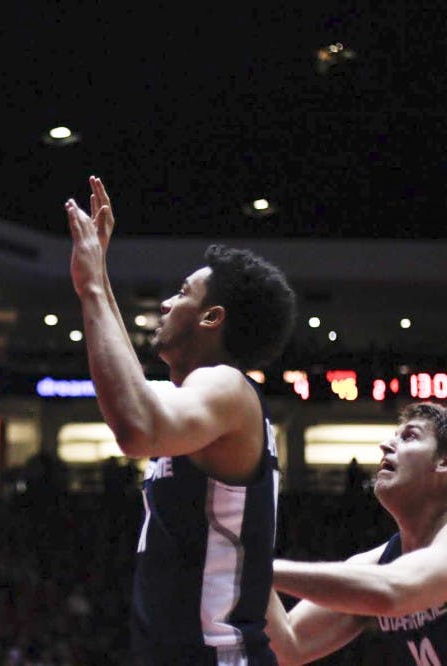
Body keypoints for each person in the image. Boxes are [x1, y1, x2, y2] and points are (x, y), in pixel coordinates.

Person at [66, 176, 296, 665]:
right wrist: (97, 273)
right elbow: (130, 394)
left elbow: (136, 428)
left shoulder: (226, 385)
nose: (166, 303)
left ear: (211, 317)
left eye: (182, 292)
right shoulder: (196, 400)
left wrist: (92, 286)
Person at [266, 402, 447, 665]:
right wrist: (243, 542)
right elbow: (289, 644)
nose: (385, 445)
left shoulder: (391, 578)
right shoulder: (380, 563)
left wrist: (261, 570)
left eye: (409, 436)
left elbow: (393, 590)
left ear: (444, 462)